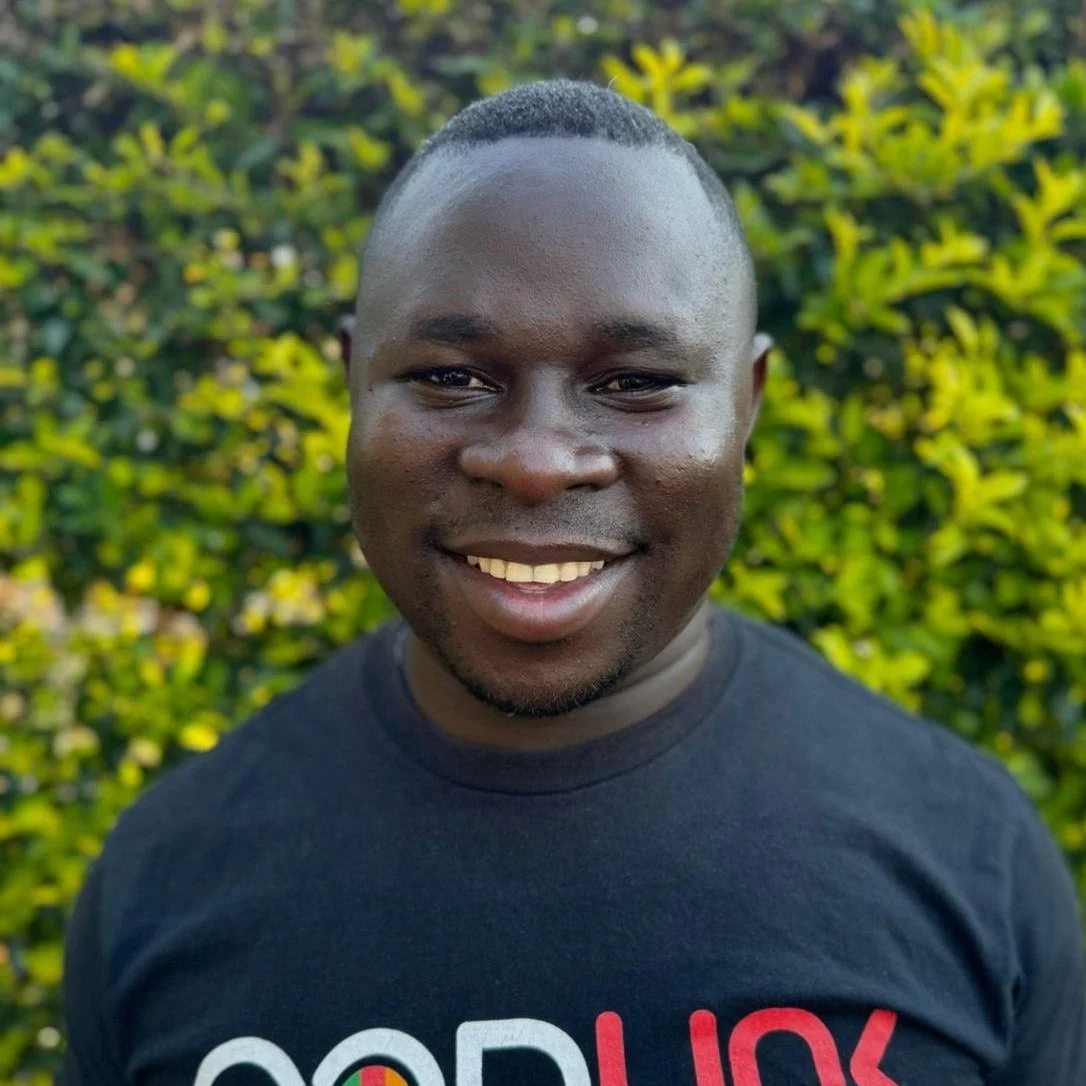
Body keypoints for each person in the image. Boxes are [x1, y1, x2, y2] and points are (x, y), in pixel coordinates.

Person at [57, 78, 1084, 1086]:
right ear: (352, 382)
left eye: (636, 384)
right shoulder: (163, 881)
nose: (539, 462)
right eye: (450, 377)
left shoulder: (967, 859)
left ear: (748, 403)